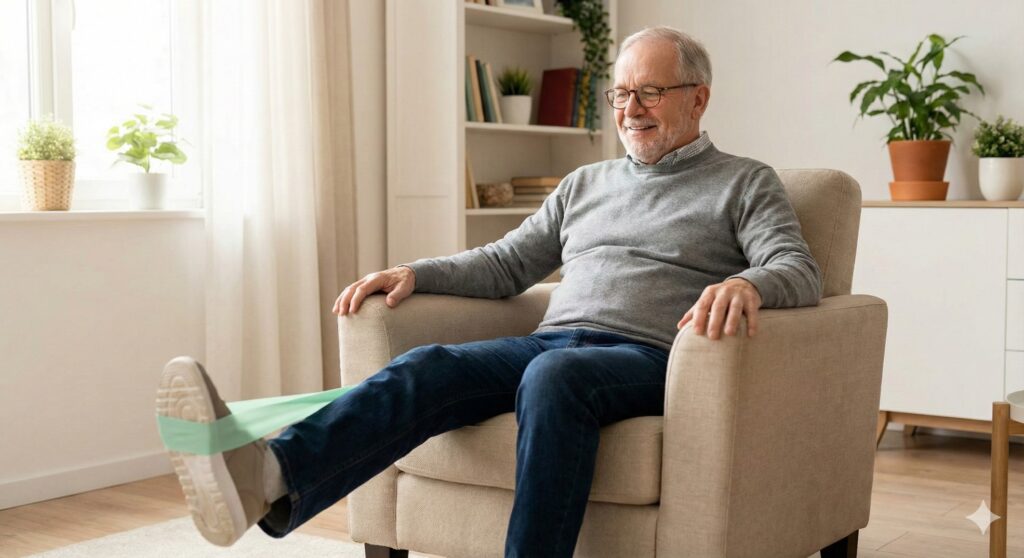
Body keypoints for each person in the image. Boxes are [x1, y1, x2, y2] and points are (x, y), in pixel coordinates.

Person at [157, 25, 821, 557]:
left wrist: (747, 281)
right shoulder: (584, 185)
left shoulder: (744, 182)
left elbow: (796, 267)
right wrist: (418, 273)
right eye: (620, 94)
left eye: (649, 92)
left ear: (698, 98)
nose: (630, 110)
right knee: (427, 366)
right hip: (552, 342)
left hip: (649, 356)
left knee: (556, 376)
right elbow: (507, 263)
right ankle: (270, 478)